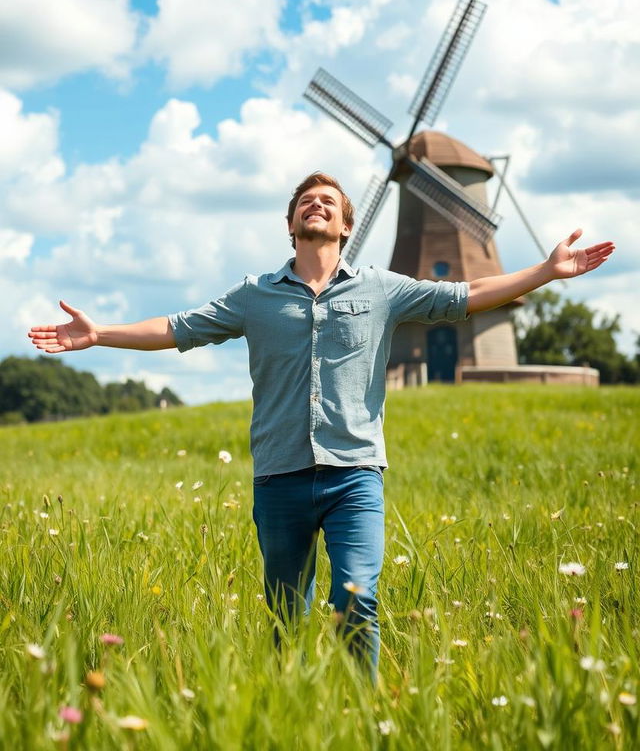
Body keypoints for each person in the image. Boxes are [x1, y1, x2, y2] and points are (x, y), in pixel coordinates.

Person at [28, 171, 614, 679]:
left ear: (345, 226)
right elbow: (178, 327)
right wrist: (100, 333)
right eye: (307, 202)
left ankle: (359, 713)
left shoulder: (382, 289)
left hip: (354, 474)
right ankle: (294, 703)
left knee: (357, 595)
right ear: (291, 225)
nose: (318, 206)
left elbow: (466, 293)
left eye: (330, 202)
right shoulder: (254, 295)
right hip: (280, 476)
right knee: (286, 613)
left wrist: (544, 271)